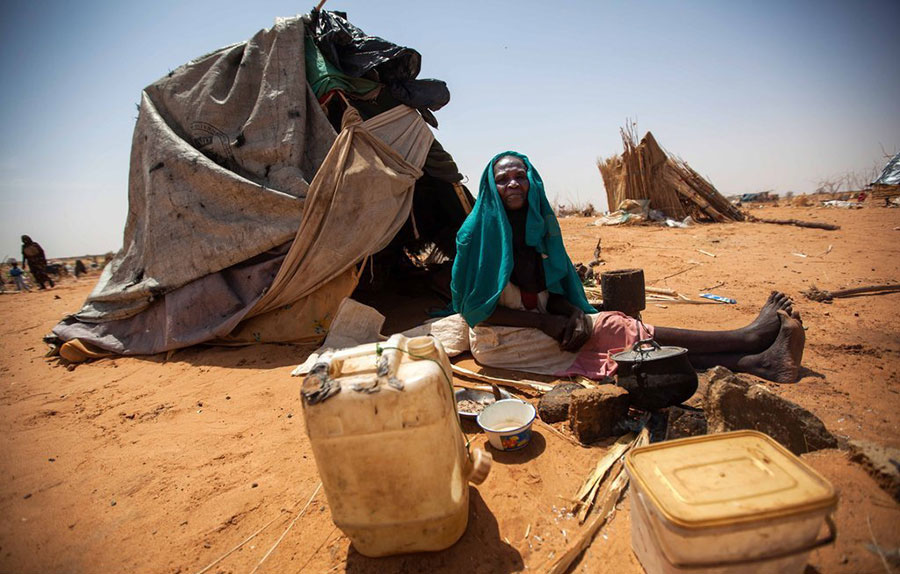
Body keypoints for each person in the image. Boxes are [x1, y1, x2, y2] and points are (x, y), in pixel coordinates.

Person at [451, 152, 805, 384]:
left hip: (545, 322)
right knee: (615, 332)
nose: (513, 184)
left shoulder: (538, 226)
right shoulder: (475, 236)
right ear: (490, 187)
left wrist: (571, 310)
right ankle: (747, 340)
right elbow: (476, 313)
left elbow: (549, 289)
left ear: (532, 182)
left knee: (613, 330)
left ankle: (752, 363)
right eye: (503, 179)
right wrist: (546, 321)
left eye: (520, 176)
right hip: (499, 339)